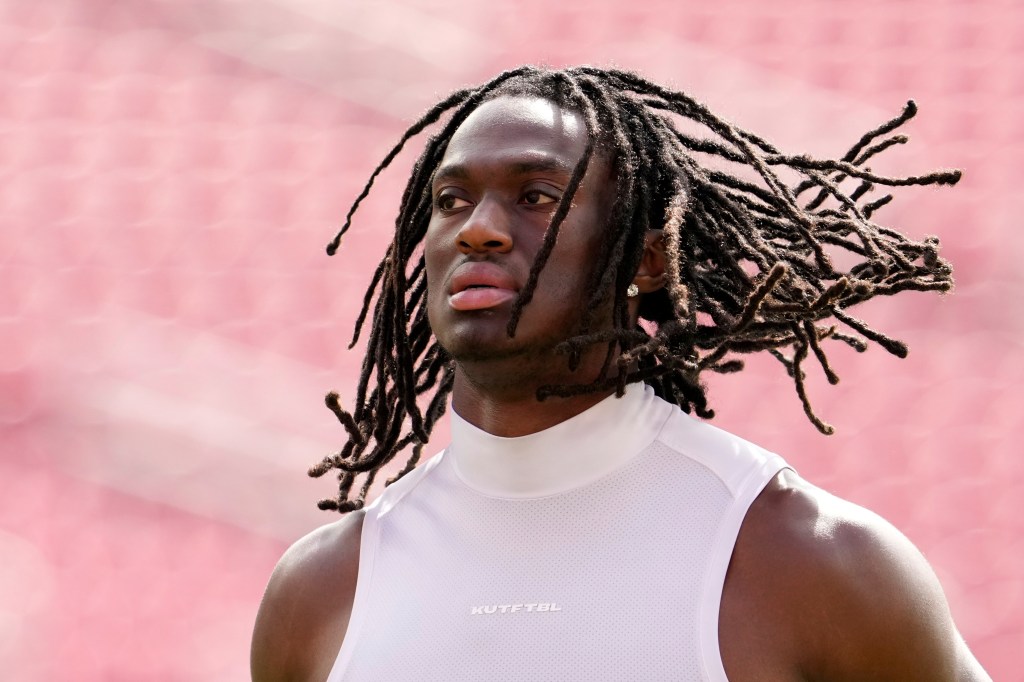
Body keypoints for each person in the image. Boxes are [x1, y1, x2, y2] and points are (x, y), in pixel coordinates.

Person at [251, 67, 991, 681]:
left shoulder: (812, 562)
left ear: (645, 259)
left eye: (535, 196)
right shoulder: (321, 594)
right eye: (450, 201)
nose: (477, 226)